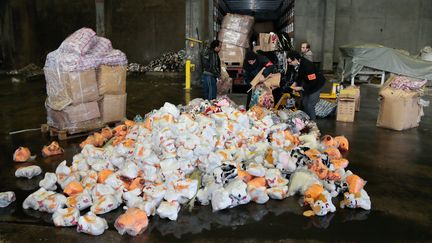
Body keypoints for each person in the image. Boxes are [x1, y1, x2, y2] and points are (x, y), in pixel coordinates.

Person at [287, 50, 325, 120]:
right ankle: (306, 121)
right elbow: (300, 75)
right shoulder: (297, 64)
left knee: (310, 105)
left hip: (317, 84)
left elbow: (313, 82)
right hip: (308, 83)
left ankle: (313, 124)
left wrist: (301, 88)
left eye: (290, 62)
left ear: (295, 59)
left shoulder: (307, 66)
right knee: (304, 103)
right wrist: (295, 82)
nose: (289, 64)